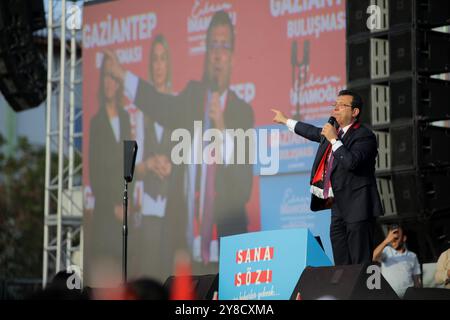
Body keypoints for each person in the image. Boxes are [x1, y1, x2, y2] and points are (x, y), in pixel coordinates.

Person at [105, 11, 254, 267]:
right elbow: (159, 105)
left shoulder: (242, 111)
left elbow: (243, 186)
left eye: (224, 46)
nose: (218, 54)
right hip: (184, 248)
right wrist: (122, 75)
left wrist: (220, 126)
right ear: (207, 53)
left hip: (226, 248)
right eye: (213, 46)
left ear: (232, 57)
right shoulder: (192, 96)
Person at [272, 90, 383, 265]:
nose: (336, 109)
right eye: (335, 105)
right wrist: (286, 120)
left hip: (359, 207)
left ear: (355, 112)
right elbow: (311, 131)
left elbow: (351, 162)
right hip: (337, 206)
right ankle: (344, 293)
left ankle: (368, 292)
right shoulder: (334, 132)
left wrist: (333, 140)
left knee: (361, 263)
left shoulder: (364, 135)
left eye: (342, 105)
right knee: (341, 262)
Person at [87, 54, 131, 280]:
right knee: (105, 273)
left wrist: (126, 202)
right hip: (106, 211)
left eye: (113, 77)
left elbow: (128, 166)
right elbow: (95, 174)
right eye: (105, 76)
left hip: (124, 210)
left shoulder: (125, 118)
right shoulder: (96, 123)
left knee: (123, 271)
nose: (108, 83)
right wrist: (113, 204)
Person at [373, 225, 422, 298]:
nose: (392, 240)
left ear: (404, 238)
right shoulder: (387, 251)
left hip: (408, 296)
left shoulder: (412, 256)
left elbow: (416, 280)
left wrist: (418, 296)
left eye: (396, 238)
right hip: (389, 295)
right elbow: (374, 257)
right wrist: (386, 241)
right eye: (391, 237)